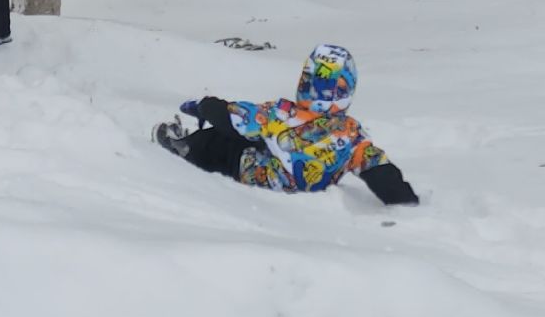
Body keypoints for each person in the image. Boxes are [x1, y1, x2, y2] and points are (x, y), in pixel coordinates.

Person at [154, 44, 420, 206]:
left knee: (227, 141)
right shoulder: (352, 134)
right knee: (262, 140)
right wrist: (404, 199)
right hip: (311, 190)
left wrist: (203, 105)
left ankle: (185, 149)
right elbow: (379, 169)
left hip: (259, 180)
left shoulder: (281, 114)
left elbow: (233, 118)